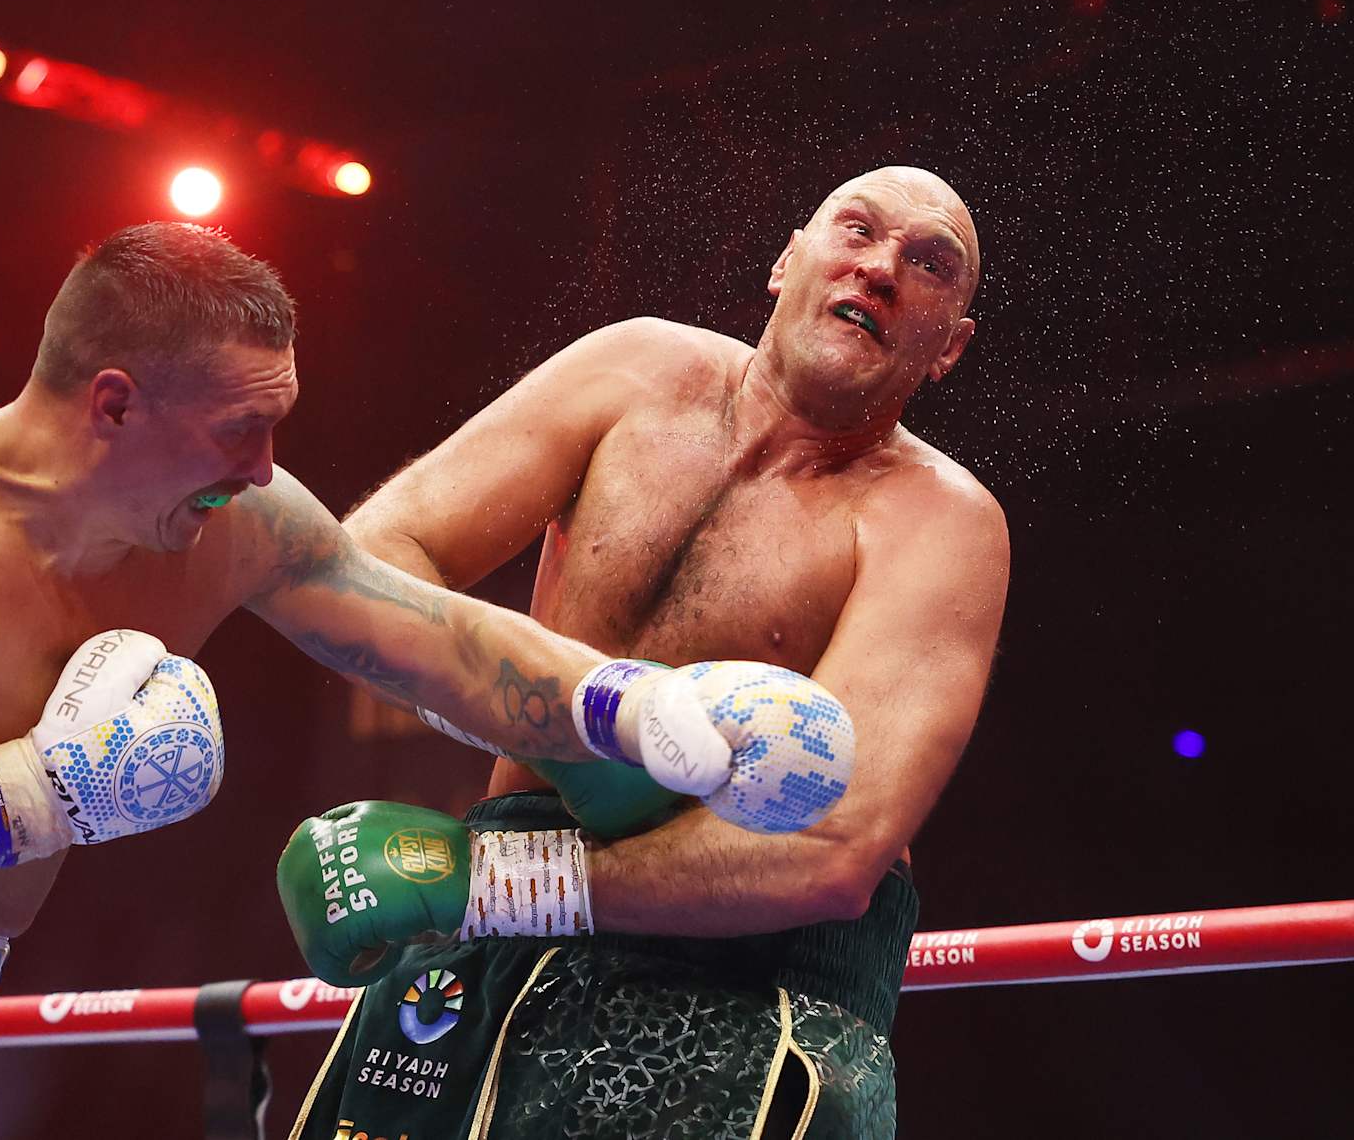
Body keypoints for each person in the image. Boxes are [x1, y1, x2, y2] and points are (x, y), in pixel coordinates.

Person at [0, 222, 799, 1139]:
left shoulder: (233, 523)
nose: (266, 465)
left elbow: (429, 637)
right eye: (237, 430)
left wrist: (641, 706)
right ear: (113, 401)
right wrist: (41, 791)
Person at [280, 166, 1009, 1138]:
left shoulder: (939, 520)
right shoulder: (633, 374)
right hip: (483, 946)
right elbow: (364, 566)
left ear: (947, 347)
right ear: (788, 257)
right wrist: (570, 714)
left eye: (928, 264)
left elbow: (833, 848)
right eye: (859, 229)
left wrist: (492, 881)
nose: (881, 268)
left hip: (742, 988)